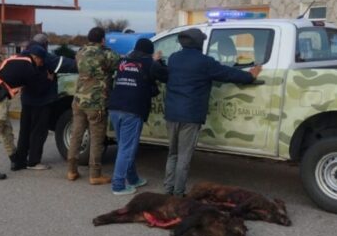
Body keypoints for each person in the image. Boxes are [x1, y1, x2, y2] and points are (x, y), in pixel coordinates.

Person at [163, 28, 262, 196]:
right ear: (199, 43)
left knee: (173, 154)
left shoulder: (173, 58)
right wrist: (250, 76)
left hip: (172, 113)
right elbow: (227, 73)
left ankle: (168, 190)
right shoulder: (205, 62)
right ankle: (179, 194)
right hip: (190, 116)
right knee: (184, 157)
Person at [107, 37, 168, 195]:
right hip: (132, 109)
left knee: (124, 146)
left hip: (115, 107)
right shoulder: (149, 64)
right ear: (149, 52)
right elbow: (165, 76)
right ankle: (118, 185)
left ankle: (133, 178)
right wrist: (158, 61)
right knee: (127, 148)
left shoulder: (123, 62)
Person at [0, 44, 50, 180]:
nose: (41, 63)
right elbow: (38, 88)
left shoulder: (16, 58)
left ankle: (16, 160)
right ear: (35, 57)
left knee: (6, 130)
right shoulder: (28, 68)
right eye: (41, 60)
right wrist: (48, 79)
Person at [11, 33, 76, 171]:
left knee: (25, 130)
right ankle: (34, 162)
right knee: (38, 131)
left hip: (27, 98)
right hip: (41, 100)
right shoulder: (40, 54)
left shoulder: (23, 54)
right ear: (45, 44)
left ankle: (20, 160)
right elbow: (62, 64)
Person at [66, 26, 120, 184]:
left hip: (78, 100)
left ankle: (71, 170)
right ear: (103, 39)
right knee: (96, 139)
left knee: (76, 135)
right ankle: (95, 174)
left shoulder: (80, 52)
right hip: (96, 102)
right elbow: (118, 63)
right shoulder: (106, 53)